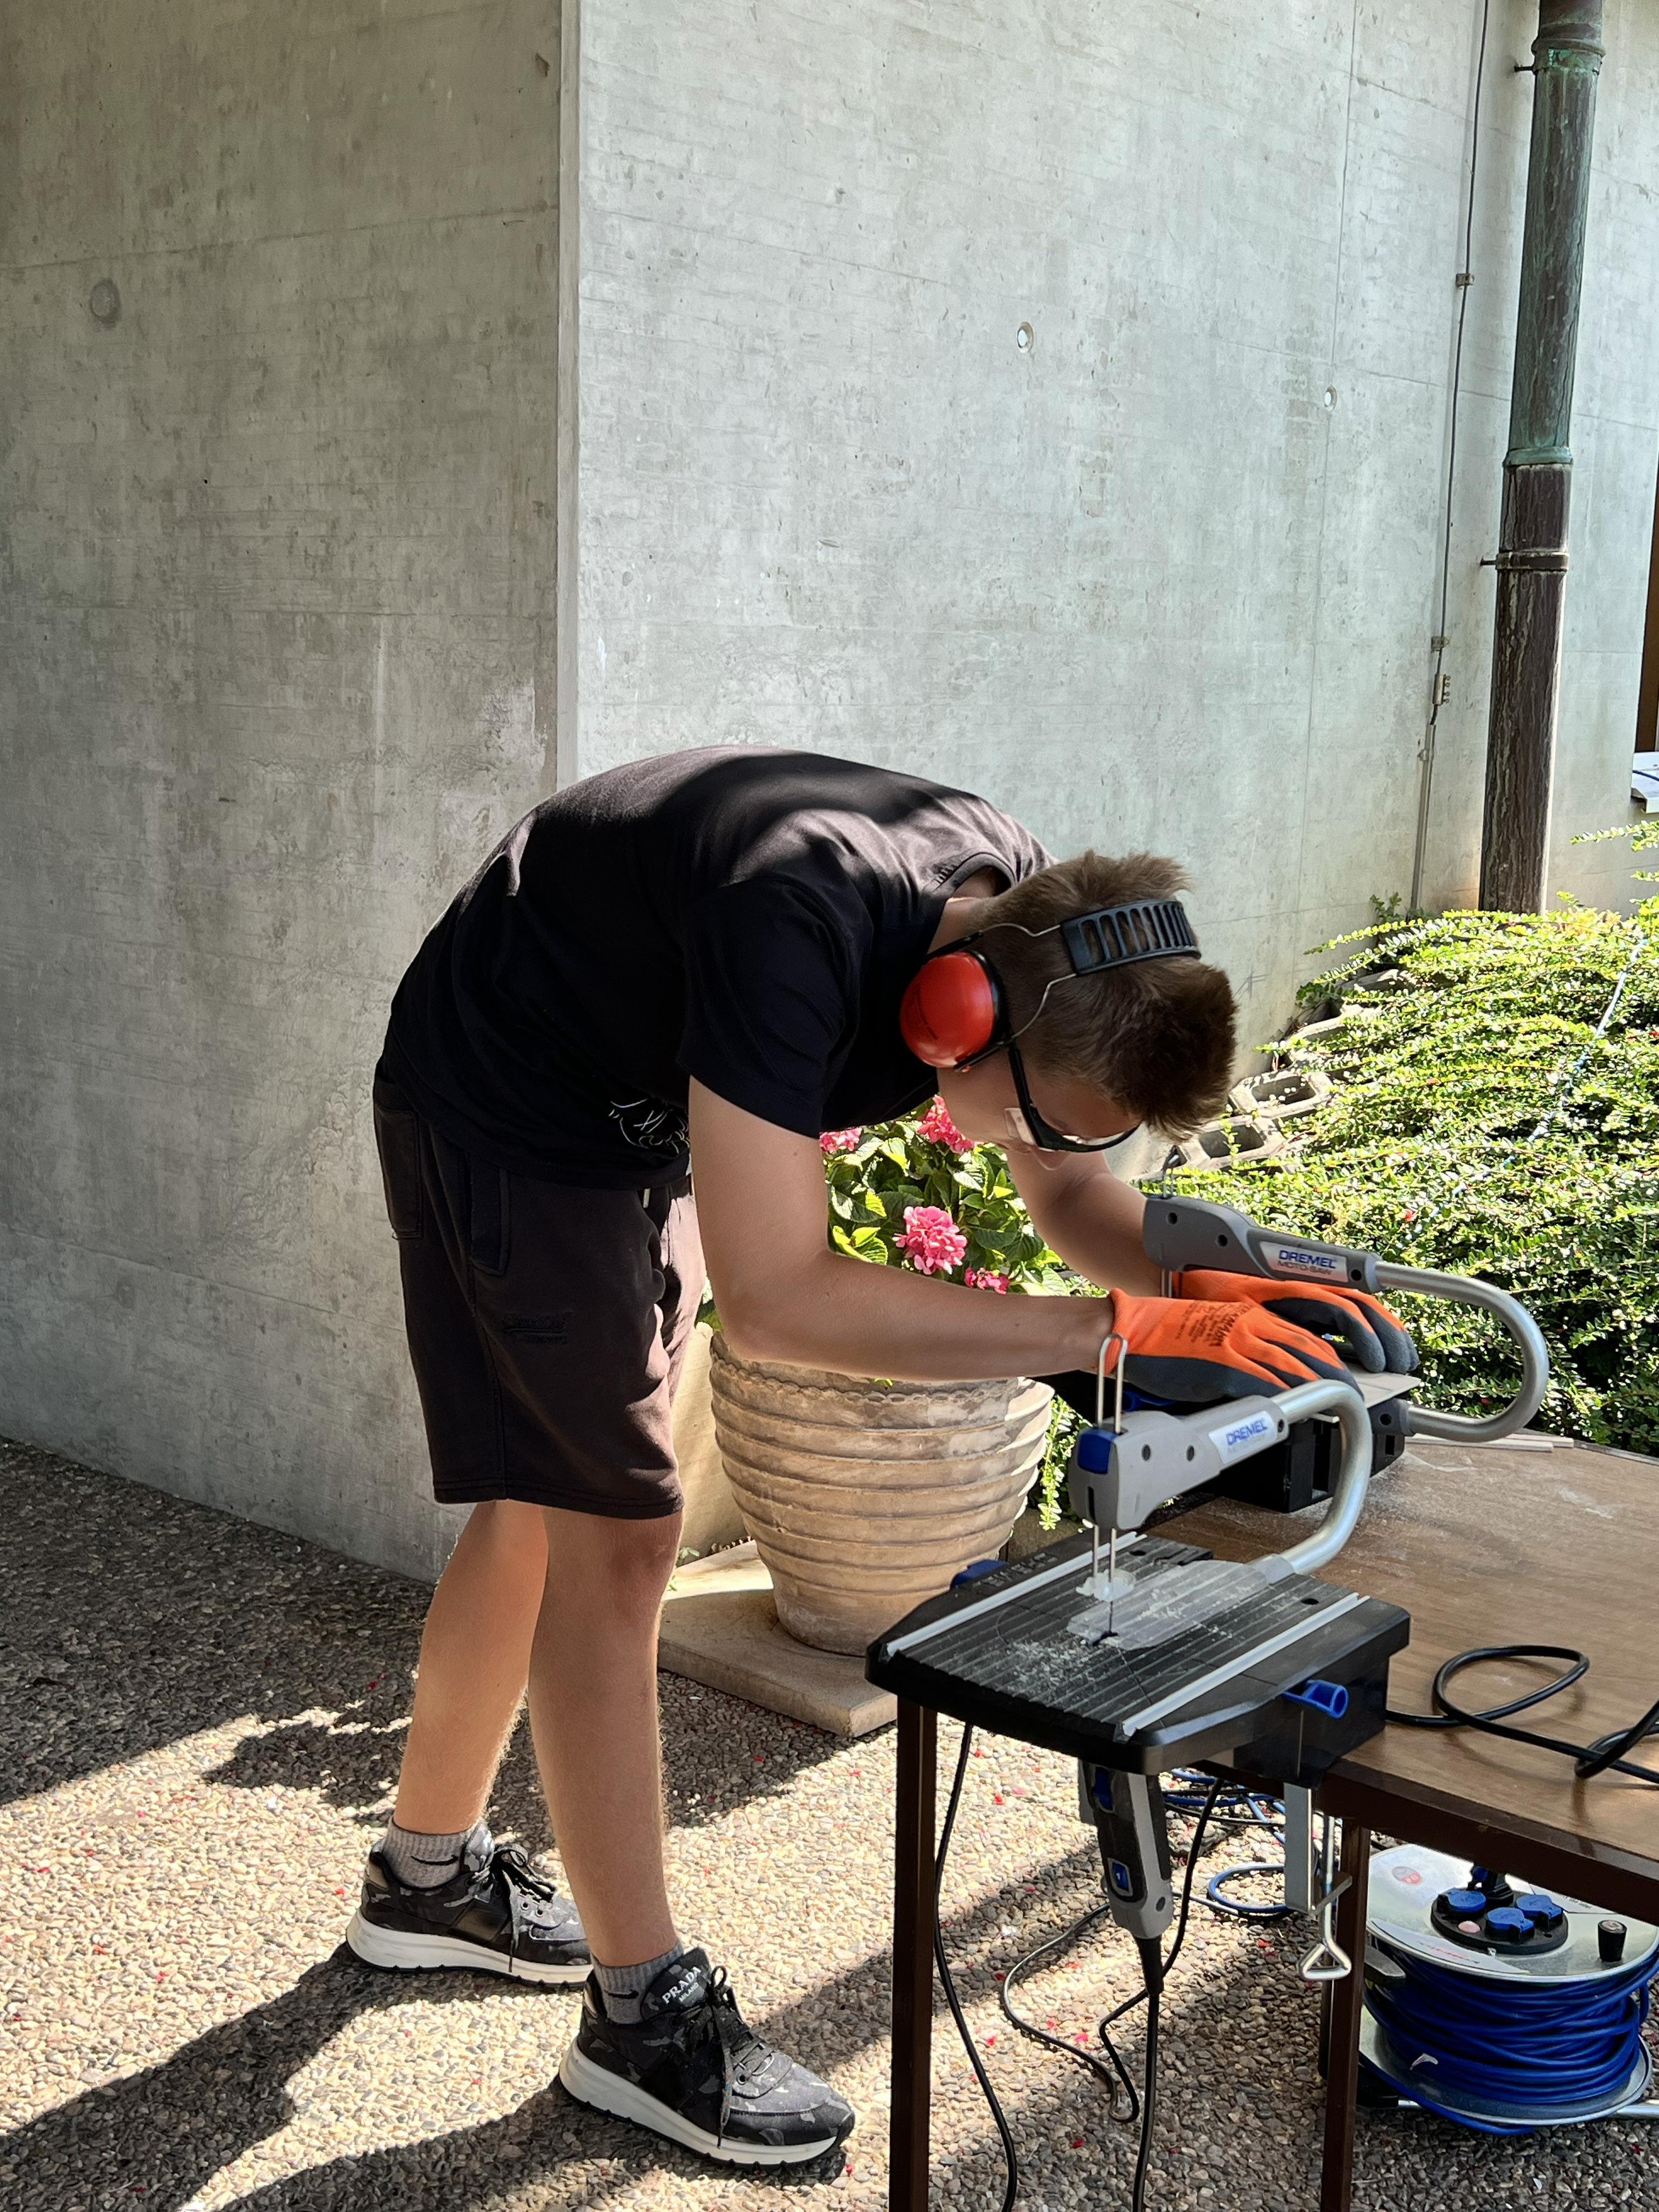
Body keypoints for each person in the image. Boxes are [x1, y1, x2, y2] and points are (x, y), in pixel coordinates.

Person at [346, 746, 1413, 2168]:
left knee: (551, 1502)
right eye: (1051, 1118)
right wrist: (1097, 1331)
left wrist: (1212, 1287)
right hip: (509, 1097)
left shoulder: (1028, 934)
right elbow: (781, 1298)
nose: (1057, 1154)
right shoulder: (790, 933)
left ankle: (425, 1881)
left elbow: (1075, 1200)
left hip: (623, 1085)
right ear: (950, 1014)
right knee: (620, 1530)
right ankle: (640, 2022)